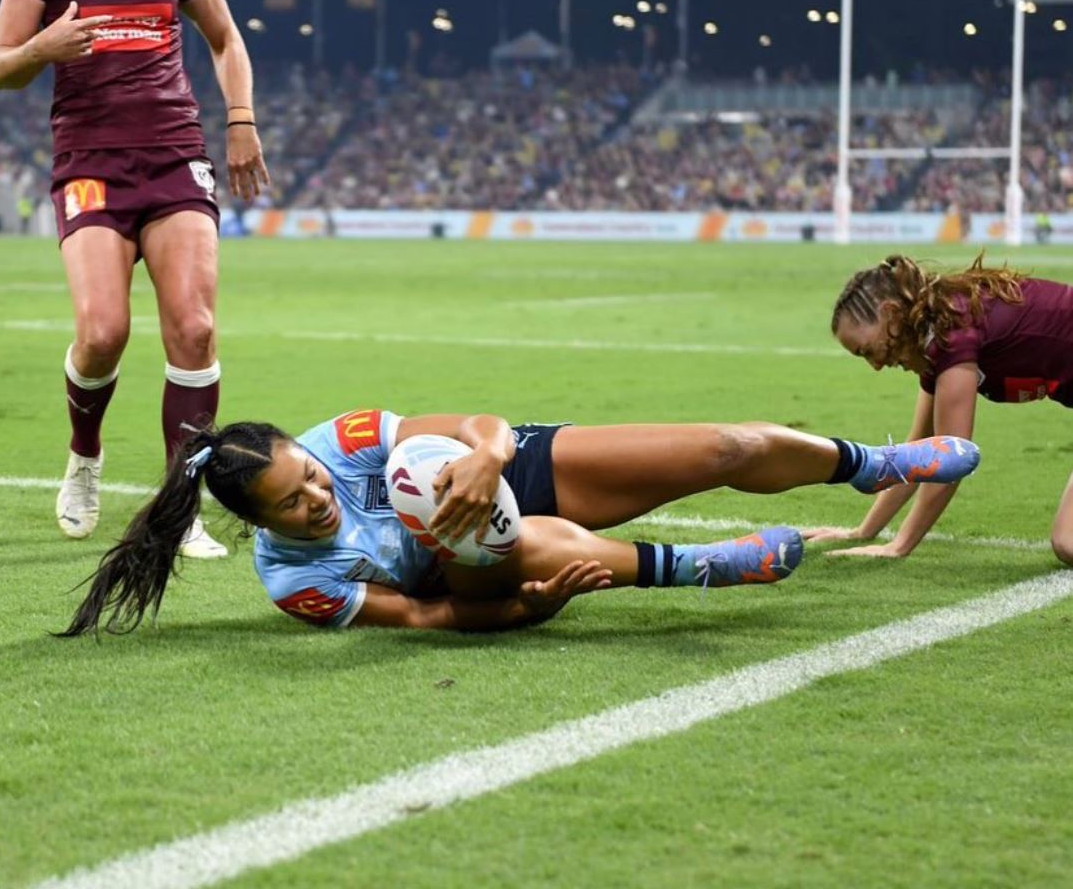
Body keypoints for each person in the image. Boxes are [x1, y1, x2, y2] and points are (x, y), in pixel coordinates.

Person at [60, 410, 979, 635]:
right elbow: (423, 620)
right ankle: (697, 566)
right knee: (480, 538)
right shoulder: (292, 581)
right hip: (467, 563)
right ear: (262, 524)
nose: (320, 497)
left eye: (311, 478)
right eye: (296, 505)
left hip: (510, 464)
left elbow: (474, 425)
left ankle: (872, 466)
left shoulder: (335, 441)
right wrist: (529, 612)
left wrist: (492, 459)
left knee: (723, 449)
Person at [0, 0, 270, 557]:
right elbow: (0, 68)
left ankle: (180, 506)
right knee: (101, 334)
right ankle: (85, 452)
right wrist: (43, 48)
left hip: (174, 157)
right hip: (89, 162)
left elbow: (225, 38)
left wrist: (241, 118)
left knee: (194, 330)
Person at [810, 252, 1073, 562]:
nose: (876, 365)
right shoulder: (938, 339)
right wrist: (864, 531)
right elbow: (919, 452)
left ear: (891, 312)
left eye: (867, 350)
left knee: (1067, 543)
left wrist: (898, 546)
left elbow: (950, 460)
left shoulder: (953, 334)